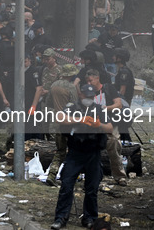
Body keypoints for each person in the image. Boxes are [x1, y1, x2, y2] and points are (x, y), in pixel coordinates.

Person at [50, 84, 112, 230]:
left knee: (92, 188)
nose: (88, 99)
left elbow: (109, 127)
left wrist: (99, 125)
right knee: (66, 185)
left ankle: (89, 218)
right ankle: (60, 218)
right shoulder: (71, 107)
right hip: (75, 152)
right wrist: (80, 119)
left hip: (93, 153)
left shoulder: (99, 109)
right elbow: (61, 119)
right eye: (86, 96)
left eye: (91, 96)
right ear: (80, 94)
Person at [86, 69, 127, 186]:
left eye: (91, 81)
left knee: (114, 143)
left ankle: (120, 176)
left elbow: (118, 105)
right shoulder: (87, 92)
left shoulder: (109, 89)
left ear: (97, 78)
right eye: (87, 81)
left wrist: (104, 108)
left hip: (110, 122)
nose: (89, 83)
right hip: (93, 123)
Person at [45, 64, 79, 186]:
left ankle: (52, 174)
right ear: (71, 75)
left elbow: (48, 101)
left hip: (55, 122)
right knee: (71, 150)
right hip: (68, 123)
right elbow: (75, 105)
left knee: (59, 151)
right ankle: (69, 176)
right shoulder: (71, 87)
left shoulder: (54, 85)